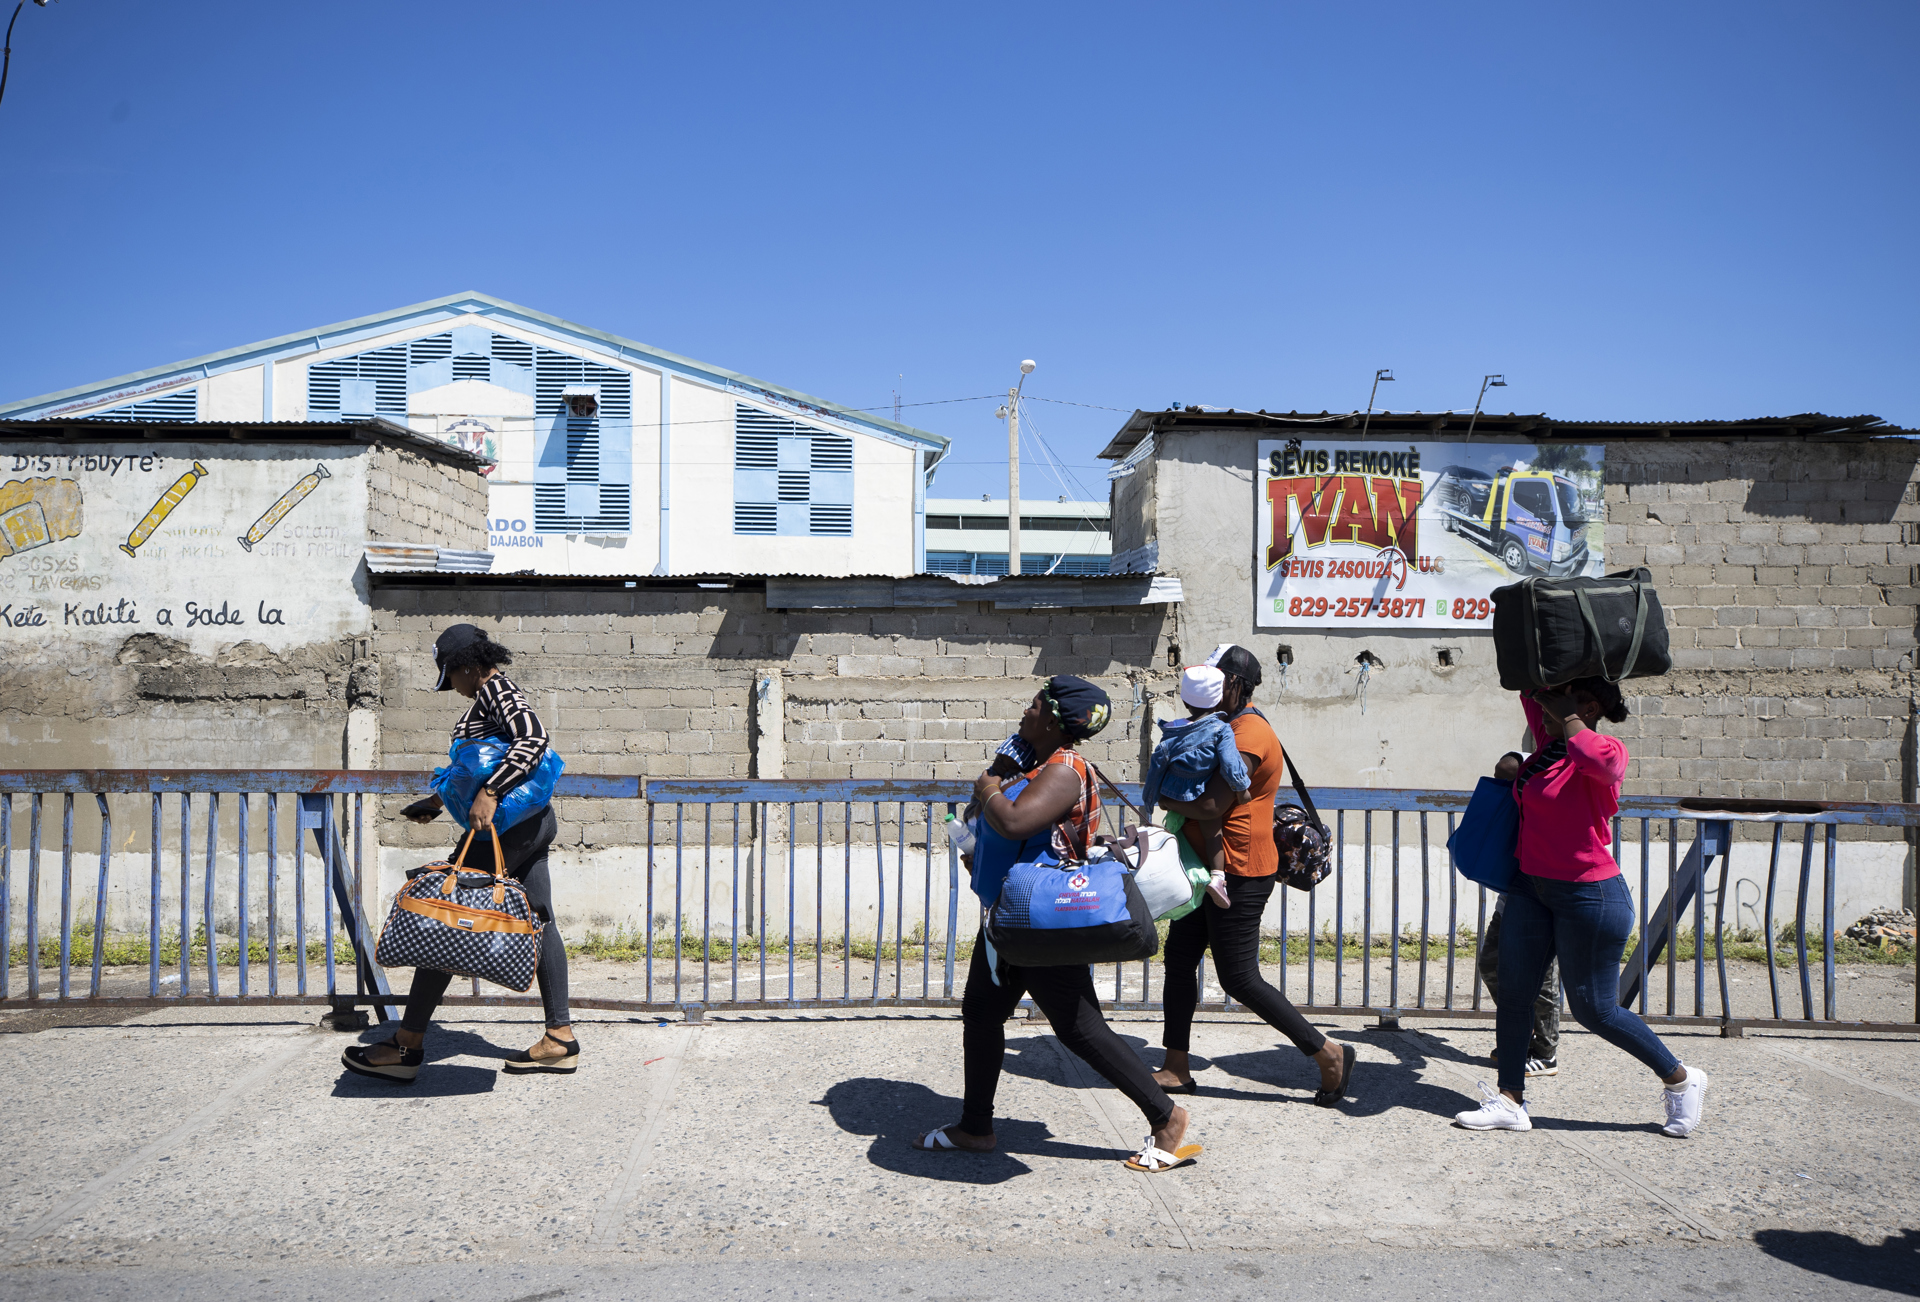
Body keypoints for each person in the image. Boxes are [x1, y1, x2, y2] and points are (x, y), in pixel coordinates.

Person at [919, 675, 1199, 1174]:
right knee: (982, 1013)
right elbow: (1010, 832)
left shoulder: (1065, 769)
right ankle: (976, 1127)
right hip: (1014, 917)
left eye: (1032, 707)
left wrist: (987, 791)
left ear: (1052, 718)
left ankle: (1167, 1115)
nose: (1023, 714)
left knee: (1078, 1027)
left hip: (1046, 920)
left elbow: (1016, 821)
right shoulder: (1036, 762)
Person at [1454, 678, 1709, 1137]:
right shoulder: (1549, 746)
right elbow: (1526, 690)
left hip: (1589, 895)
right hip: (1532, 887)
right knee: (1514, 994)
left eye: (1559, 704)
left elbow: (1599, 761)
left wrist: (1569, 714)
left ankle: (1681, 1079)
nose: (1543, 712)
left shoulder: (1605, 751)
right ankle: (1510, 1100)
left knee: (1596, 1010)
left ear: (1588, 707)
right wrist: (1544, 683)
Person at [342, 624, 577, 1084]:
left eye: (450, 676)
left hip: (503, 834)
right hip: (528, 826)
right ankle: (559, 1038)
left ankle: (407, 1045)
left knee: (444, 915)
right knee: (538, 919)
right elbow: (475, 764)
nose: (451, 687)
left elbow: (533, 740)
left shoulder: (496, 690)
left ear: (467, 665)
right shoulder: (487, 697)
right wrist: (435, 803)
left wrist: (490, 792)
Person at [1153, 645, 1356, 1107]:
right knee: (1180, 960)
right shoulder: (1221, 725)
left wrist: (1164, 797)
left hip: (1241, 869)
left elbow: (1212, 804)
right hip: (1204, 868)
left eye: (1217, 679)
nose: (1208, 687)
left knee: (1239, 977)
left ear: (1237, 684)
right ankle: (1176, 1066)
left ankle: (1328, 1053)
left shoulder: (1249, 733)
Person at [1475, 750, 1563, 1077]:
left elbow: (1510, 765)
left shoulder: (1549, 772)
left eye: (1506, 781)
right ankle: (1524, 1033)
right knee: (1491, 963)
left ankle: (1546, 1051)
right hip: (1514, 895)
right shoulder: (1519, 792)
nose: (1502, 785)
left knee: (1541, 977)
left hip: (1544, 894)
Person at [1141, 663, 1254, 908]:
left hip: (1173, 793)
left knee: (1173, 838)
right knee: (1213, 833)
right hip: (1200, 793)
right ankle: (1217, 877)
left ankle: (1175, 876)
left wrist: (1150, 800)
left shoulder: (1171, 731)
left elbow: (1156, 767)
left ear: (1184, 701)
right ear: (1217, 701)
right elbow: (1231, 763)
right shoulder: (1221, 730)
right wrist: (1241, 789)